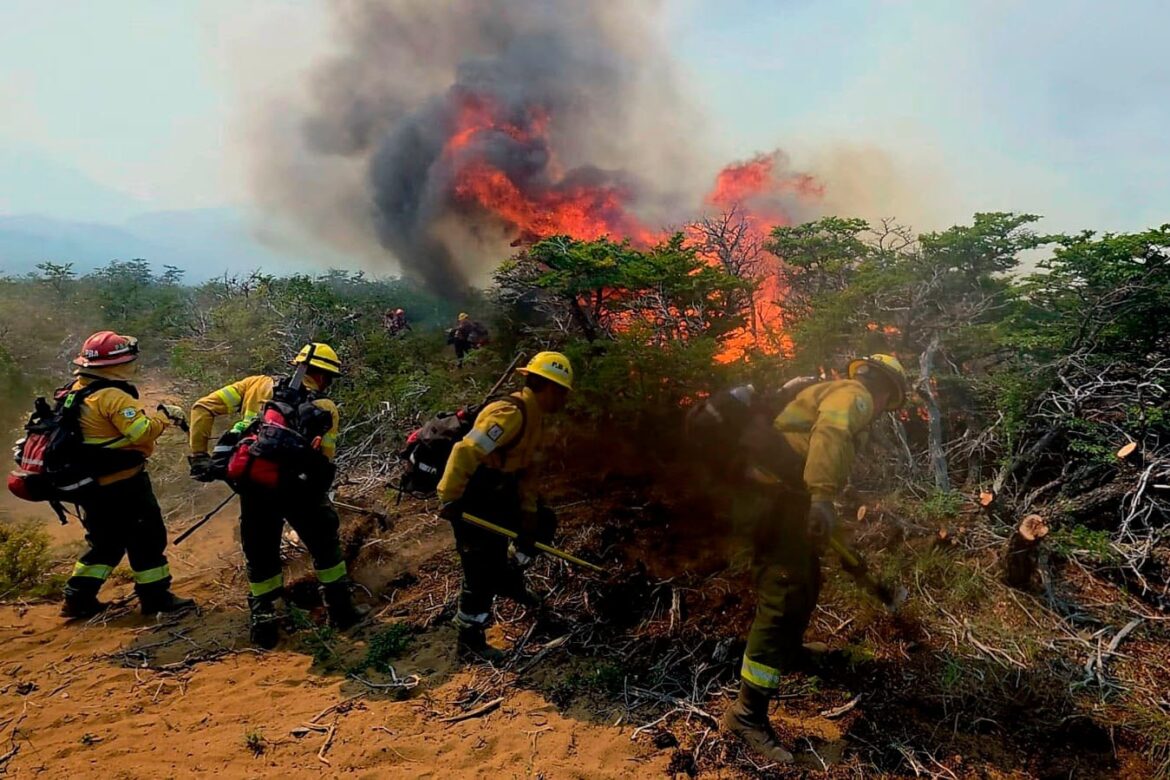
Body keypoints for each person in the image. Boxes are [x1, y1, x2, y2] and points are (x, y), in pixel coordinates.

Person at [719, 354, 911, 764]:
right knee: (784, 593)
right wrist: (822, 497)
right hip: (771, 501)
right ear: (887, 393)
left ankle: (788, 652)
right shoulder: (858, 395)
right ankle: (746, 714)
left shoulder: (832, 388)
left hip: (780, 498)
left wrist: (820, 509)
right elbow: (831, 432)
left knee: (806, 579)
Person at [186, 342, 369, 648]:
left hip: (255, 488)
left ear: (295, 365)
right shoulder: (325, 408)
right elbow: (324, 459)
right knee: (325, 546)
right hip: (299, 491)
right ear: (324, 377)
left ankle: (264, 623)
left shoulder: (254, 385)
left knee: (260, 554)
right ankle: (341, 611)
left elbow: (202, 407)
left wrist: (199, 456)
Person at [435, 352, 573, 661]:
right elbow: (465, 451)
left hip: (499, 494)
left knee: (542, 524)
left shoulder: (536, 418)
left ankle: (508, 573)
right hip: (472, 498)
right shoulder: (510, 413)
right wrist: (450, 497)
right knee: (479, 570)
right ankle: (469, 642)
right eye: (562, 391)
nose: (564, 399)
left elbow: (527, 473)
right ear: (547, 387)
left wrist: (528, 514)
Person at [60, 331, 196, 619]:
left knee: (106, 543)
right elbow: (141, 432)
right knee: (147, 539)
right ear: (116, 364)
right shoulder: (112, 397)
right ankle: (156, 599)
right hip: (123, 486)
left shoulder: (76, 389)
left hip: (93, 487)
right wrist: (164, 418)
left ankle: (77, 597)